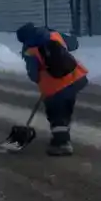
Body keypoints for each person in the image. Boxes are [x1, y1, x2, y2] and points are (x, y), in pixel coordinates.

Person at [16, 22, 89, 156]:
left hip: (54, 87)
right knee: (66, 108)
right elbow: (74, 44)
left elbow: (34, 74)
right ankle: (62, 134)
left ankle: (61, 144)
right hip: (75, 78)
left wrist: (41, 78)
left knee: (56, 115)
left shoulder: (29, 50)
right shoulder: (53, 35)